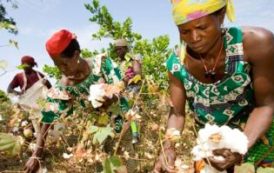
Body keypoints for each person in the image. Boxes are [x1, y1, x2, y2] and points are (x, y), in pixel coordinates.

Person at [154, 0, 274, 172]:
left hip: (257, 139)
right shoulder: (176, 64)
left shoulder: (255, 44)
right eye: (185, 31)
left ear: (221, 15)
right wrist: (168, 148)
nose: (194, 38)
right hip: (211, 147)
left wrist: (239, 147)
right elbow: (178, 114)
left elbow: (266, 105)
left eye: (202, 28)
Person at [24, 29, 127, 173]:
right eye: (57, 65)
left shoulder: (102, 64)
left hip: (122, 122)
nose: (62, 70)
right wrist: (36, 155)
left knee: (126, 161)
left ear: (76, 55)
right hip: (98, 132)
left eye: (64, 64)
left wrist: (111, 95)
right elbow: (48, 118)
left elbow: (120, 86)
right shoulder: (63, 88)